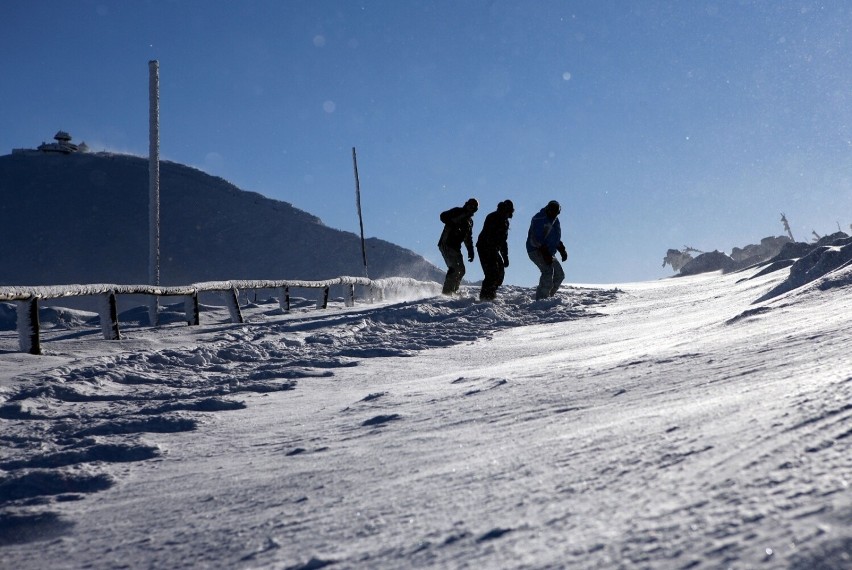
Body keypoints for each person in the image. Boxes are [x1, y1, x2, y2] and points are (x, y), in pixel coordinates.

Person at [526, 200, 567, 300]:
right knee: (547, 271)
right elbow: (535, 239)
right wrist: (545, 253)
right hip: (535, 250)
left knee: (559, 275)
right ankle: (541, 299)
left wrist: (561, 249)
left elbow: (555, 237)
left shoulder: (555, 221)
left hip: (549, 252)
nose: (554, 214)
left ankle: (548, 296)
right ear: (548, 210)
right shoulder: (540, 218)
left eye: (556, 212)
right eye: (552, 212)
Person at [438, 198, 478, 295]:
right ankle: (446, 292)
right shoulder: (457, 211)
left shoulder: (470, 222)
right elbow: (443, 216)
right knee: (454, 268)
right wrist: (451, 221)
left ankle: (453, 290)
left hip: (455, 247)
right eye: (470, 205)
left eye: (473, 207)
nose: (471, 208)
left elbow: (468, 238)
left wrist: (470, 251)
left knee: (462, 270)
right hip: (446, 243)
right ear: (466, 204)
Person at [476, 199, 514, 301]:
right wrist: (493, 250)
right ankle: (485, 297)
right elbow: (489, 235)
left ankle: (491, 294)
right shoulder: (493, 217)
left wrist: (505, 257)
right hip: (485, 247)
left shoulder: (505, 222)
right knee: (491, 272)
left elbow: (503, 241)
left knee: (500, 271)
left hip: (493, 249)